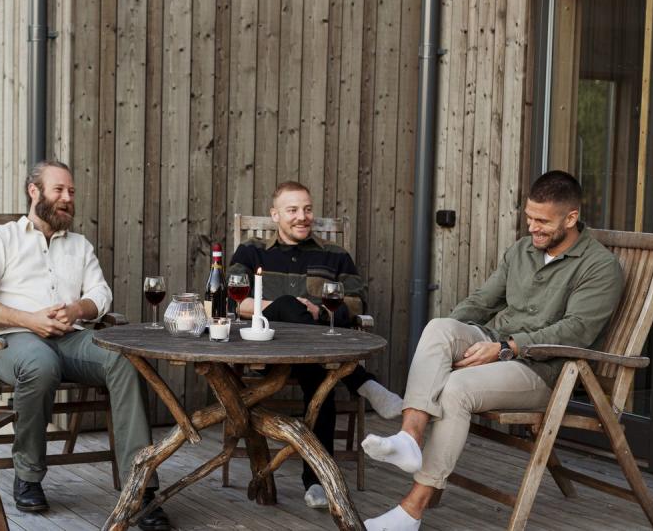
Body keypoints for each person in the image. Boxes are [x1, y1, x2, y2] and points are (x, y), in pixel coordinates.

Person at [361, 171, 624, 531]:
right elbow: (482, 302)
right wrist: (447, 344)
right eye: (529, 218)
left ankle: (410, 513)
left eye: (542, 222)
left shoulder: (599, 267)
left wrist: (505, 349)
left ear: (572, 218)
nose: (533, 228)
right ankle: (410, 437)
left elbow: (575, 331)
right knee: (439, 328)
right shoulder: (521, 250)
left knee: (456, 389)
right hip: (495, 342)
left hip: (545, 370)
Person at [0, 161, 169, 531]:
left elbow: (100, 295)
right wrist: (30, 320)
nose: (67, 199)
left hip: (73, 337)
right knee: (41, 364)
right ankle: (28, 475)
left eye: (71, 192)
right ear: (34, 191)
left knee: (125, 359)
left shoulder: (79, 245)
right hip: (15, 340)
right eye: (59, 190)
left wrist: (76, 308)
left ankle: (141, 488)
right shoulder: (1, 238)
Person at [229, 180, 403, 509]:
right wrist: (289, 304)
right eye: (293, 210)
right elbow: (237, 302)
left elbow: (357, 303)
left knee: (321, 380)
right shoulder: (252, 252)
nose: (302, 216)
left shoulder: (334, 256)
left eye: (307, 209)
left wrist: (319, 309)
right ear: (275, 214)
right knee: (286, 306)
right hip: (267, 347)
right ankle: (362, 382)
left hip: (318, 353)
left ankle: (317, 483)